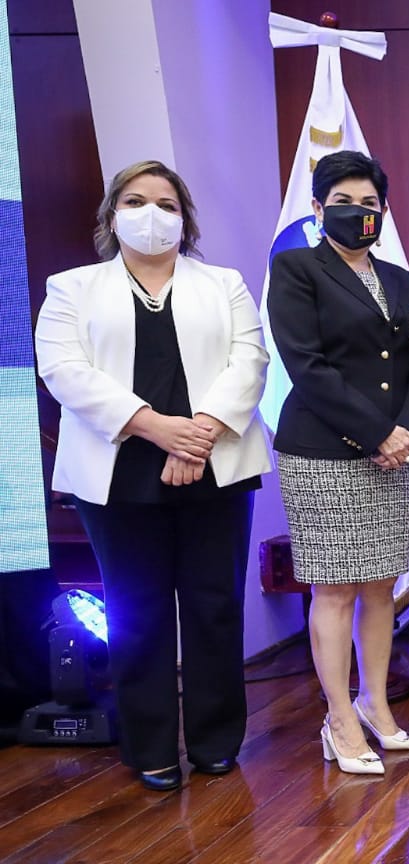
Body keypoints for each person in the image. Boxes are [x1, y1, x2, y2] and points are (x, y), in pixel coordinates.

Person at [34, 161, 270, 791]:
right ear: (112, 216)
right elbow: (63, 371)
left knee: (214, 605)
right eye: (136, 201)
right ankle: (151, 747)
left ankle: (216, 742)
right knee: (136, 610)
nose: (152, 214)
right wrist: (156, 428)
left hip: (216, 461)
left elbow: (250, 361)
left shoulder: (224, 284)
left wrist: (197, 435)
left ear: (185, 220)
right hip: (118, 469)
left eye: (167, 204)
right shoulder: (72, 288)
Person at [268, 151, 409, 775]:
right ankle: (338, 719)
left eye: (369, 204)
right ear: (317, 208)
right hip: (324, 451)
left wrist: (403, 431)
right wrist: (378, 434)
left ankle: (374, 704)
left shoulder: (398, 278)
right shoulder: (296, 268)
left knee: (381, 585)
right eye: (342, 202)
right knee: (335, 588)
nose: (357, 213)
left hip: (395, 453)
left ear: (383, 211)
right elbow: (306, 366)